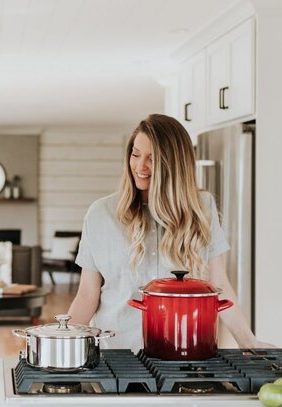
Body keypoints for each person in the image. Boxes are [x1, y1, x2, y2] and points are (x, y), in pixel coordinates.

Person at [68, 113, 273, 352]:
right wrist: (59, 345)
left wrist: (247, 341)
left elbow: (219, 285)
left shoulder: (202, 208)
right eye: (135, 154)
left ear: (174, 165)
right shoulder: (100, 214)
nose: (140, 167)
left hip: (186, 356)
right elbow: (87, 295)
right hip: (117, 358)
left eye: (152, 159)